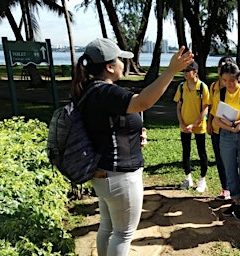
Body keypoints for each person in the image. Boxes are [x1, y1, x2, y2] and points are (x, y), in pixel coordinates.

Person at [73, 38, 193, 255]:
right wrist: (170, 71)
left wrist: (133, 134)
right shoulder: (106, 92)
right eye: (119, 59)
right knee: (123, 233)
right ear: (109, 67)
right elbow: (142, 102)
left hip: (102, 172)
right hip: (120, 175)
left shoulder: (90, 90)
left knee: (108, 227)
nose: (123, 63)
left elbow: (108, 126)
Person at [211, 61, 240, 220]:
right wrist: (231, 128)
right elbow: (217, 120)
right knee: (230, 170)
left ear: (239, 78)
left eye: (231, 80)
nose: (228, 84)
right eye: (224, 80)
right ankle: (235, 201)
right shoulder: (220, 94)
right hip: (226, 136)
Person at [174, 61, 211, 192]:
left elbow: (205, 109)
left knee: (202, 152)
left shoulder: (202, 87)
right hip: (184, 126)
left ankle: (202, 180)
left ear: (195, 72)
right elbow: (178, 107)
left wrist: (194, 124)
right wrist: (182, 123)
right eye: (183, 70)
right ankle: (187, 177)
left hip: (199, 125)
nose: (184, 73)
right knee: (186, 152)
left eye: (187, 70)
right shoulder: (181, 87)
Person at [207, 56, 235, 200]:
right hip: (217, 129)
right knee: (220, 159)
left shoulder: (237, 88)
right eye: (221, 67)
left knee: (233, 159)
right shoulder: (213, 87)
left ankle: (235, 188)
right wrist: (208, 122)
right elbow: (211, 106)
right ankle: (225, 188)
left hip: (231, 129)